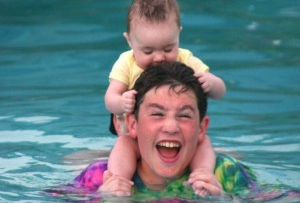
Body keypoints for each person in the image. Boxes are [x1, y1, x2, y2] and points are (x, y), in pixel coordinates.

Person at [55, 62, 256, 200]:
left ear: (202, 128)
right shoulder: (98, 178)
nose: (170, 127)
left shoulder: (226, 174)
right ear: (132, 124)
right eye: (157, 114)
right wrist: (100, 200)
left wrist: (225, 200)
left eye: (184, 115)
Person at [104, 0, 226, 193]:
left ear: (179, 33)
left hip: (165, 139)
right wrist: (121, 102)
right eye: (148, 51)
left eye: (168, 49)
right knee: (124, 145)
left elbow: (220, 92)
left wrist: (211, 83)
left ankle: (203, 173)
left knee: (204, 143)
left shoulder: (187, 59)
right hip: (129, 132)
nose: (159, 57)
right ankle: (118, 182)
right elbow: (109, 98)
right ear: (129, 41)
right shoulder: (126, 61)